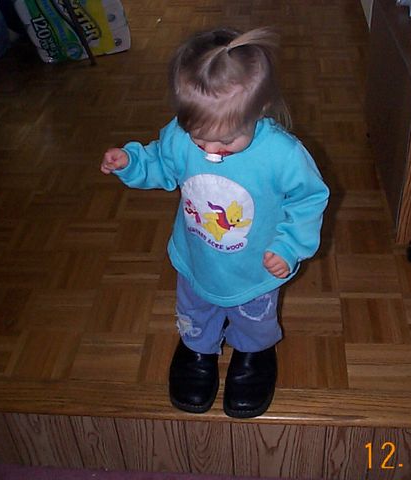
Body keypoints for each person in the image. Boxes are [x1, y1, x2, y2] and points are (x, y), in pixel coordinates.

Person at [100, 27, 329, 418]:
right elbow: (161, 162)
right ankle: (197, 348)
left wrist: (289, 246)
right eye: (198, 138)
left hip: (255, 267)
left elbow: (309, 199)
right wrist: (132, 163)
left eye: (226, 142)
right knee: (195, 308)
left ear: (259, 110)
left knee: (254, 320)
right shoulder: (180, 137)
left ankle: (253, 352)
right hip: (197, 257)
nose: (210, 151)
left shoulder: (283, 155)